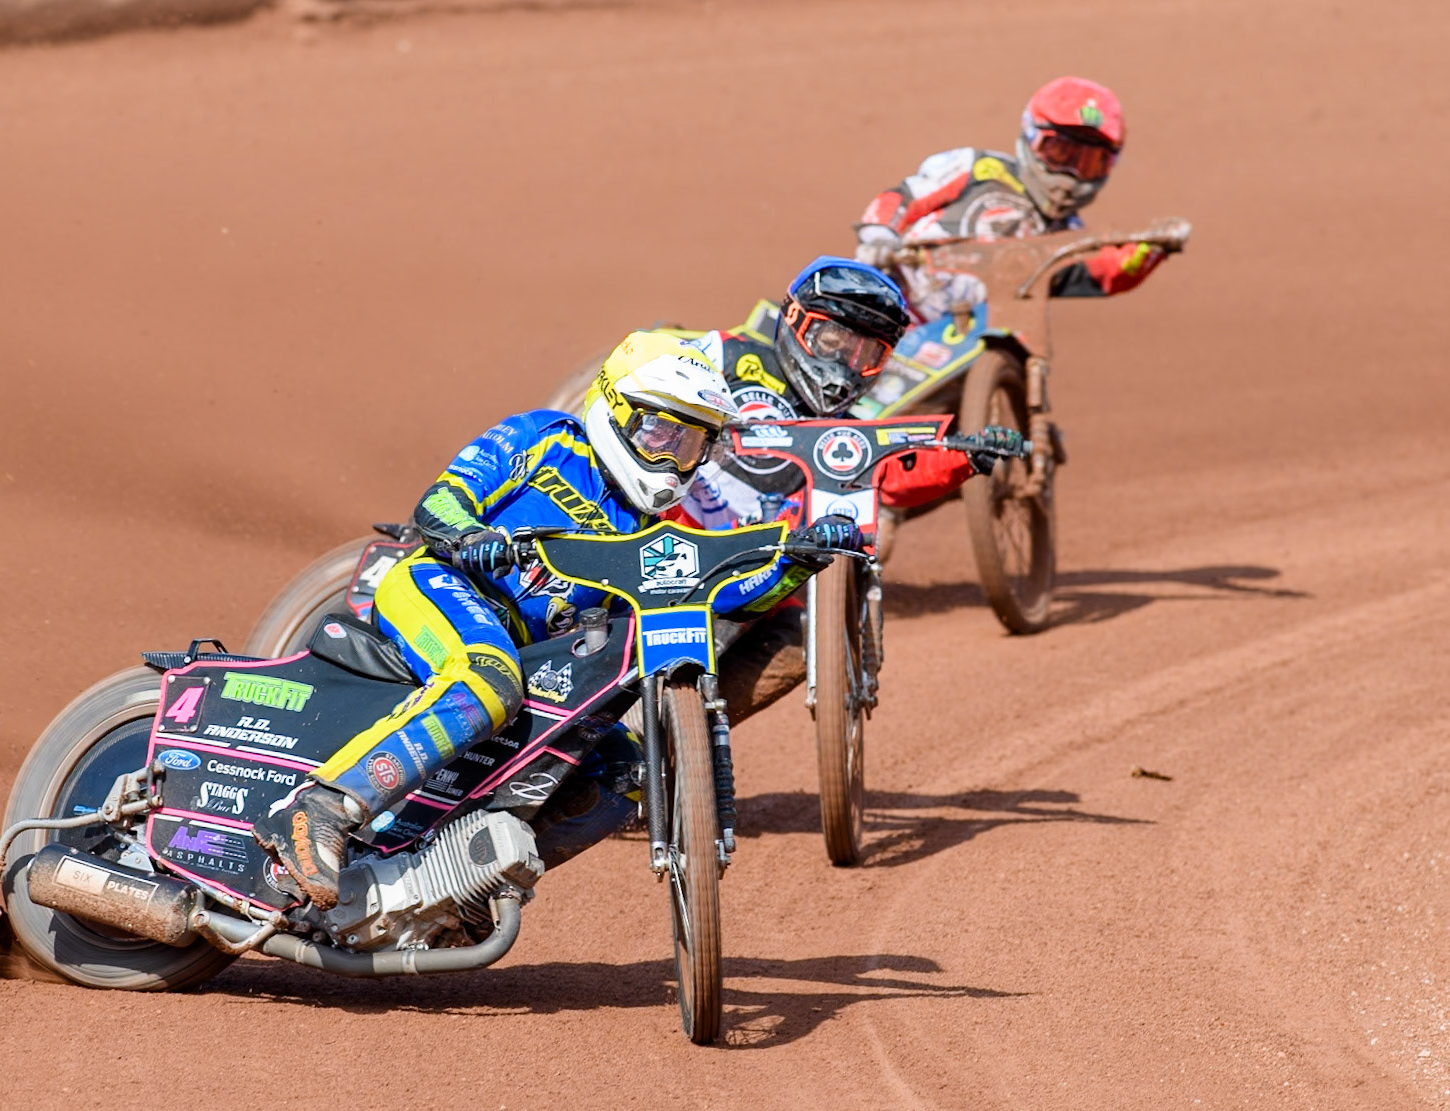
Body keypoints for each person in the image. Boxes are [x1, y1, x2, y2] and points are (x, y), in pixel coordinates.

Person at [253, 331, 866, 907]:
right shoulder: (544, 437)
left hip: (520, 648)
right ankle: (324, 807)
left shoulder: (647, 531)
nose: (672, 456)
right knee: (488, 681)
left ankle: (461, 885)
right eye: (660, 432)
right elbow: (440, 500)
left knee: (622, 765)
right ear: (615, 408)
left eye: (691, 443)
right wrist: (471, 536)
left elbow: (721, 596)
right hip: (439, 585)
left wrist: (798, 562)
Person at [672, 256, 1022, 722]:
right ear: (795, 320)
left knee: (806, 638)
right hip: (670, 535)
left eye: (866, 355)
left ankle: (687, 734)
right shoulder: (725, 355)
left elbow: (893, 474)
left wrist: (965, 458)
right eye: (833, 341)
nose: (845, 367)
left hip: (757, 574)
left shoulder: (848, 431)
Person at [853, 76, 1166, 324]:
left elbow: (1106, 271)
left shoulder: (1067, 239)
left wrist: (1154, 248)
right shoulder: (978, 167)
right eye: (1061, 153)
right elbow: (904, 198)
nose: (1070, 174)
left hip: (968, 345)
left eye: (1088, 163)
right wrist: (880, 236)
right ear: (1032, 137)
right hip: (892, 307)